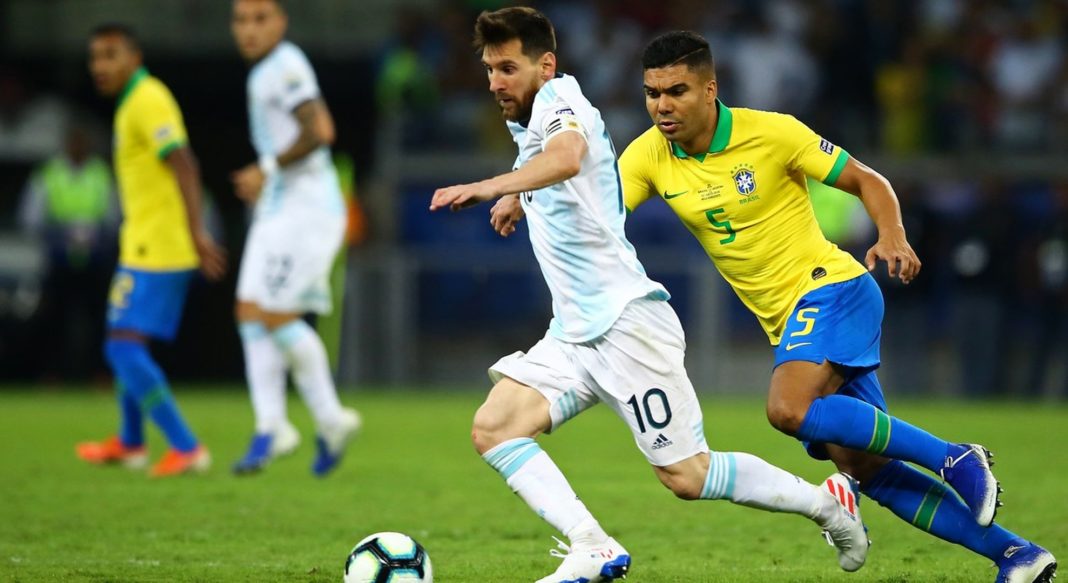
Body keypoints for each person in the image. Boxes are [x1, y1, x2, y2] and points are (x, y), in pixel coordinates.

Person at [432, 9, 868, 582]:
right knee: (494, 428)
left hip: (625, 326)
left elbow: (566, 155)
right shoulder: (532, 116)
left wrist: (490, 186)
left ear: (546, 65)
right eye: (490, 69)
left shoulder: (563, 103)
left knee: (688, 476)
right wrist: (518, 193)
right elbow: (545, 155)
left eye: (508, 68)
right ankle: (591, 545)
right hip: (574, 333)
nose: (495, 82)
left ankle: (826, 505)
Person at [613, 30, 1054, 583]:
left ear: (709, 89)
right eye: (652, 93)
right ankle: (1017, 555)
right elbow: (599, 215)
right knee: (867, 468)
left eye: (676, 91)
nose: (662, 106)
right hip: (790, 323)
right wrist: (523, 193)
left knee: (787, 409)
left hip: (833, 289)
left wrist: (892, 234)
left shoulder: (771, 132)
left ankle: (954, 457)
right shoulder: (648, 154)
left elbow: (867, 180)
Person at [76, 24, 227, 477]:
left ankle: (186, 446)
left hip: (160, 245)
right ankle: (131, 442)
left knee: (122, 348)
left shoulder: (148, 99)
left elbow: (185, 163)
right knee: (126, 340)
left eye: (111, 55)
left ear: (135, 58)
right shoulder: (131, 103)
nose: (100, 66)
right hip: (143, 241)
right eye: (95, 57)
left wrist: (197, 232)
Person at [230, 0, 359, 477]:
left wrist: (265, 168)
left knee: (277, 315)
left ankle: (330, 419)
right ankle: (273, 426)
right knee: (250, 310)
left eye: (260, 18)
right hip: (277, 208)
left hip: (306, 210)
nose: (249, 29)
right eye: (241, 20)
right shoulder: (263, 71)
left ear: (281, 22)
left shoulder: (286, 66)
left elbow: (320, 130)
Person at [19, 124, 117, 381]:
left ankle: (100, 373)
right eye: (74, 141)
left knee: (99, 317)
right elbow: (30, 218)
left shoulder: (100, 174)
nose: (78, 147)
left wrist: (96, 237)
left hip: (95, 258)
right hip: (59, 257)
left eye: (82, 142)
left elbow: (114, 217)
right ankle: (52, 374)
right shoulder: (48, 174)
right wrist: (59, 234)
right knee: (54, 317)